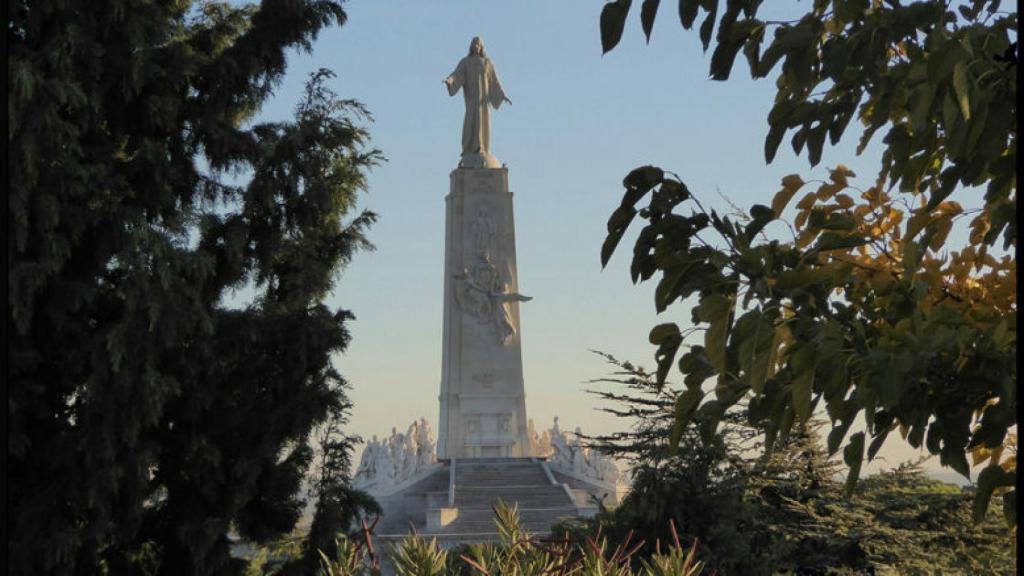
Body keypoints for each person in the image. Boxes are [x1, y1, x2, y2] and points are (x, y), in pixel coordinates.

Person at [444, 37, 511, 168]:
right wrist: (449, 81)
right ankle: (469, 149)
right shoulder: (465, 63)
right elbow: (456, 74)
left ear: (482, 47)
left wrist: (502, 95)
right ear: (471, 46)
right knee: (470, 123)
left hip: (484, 103)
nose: (476, 47)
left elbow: (495, 81)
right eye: (474, 44)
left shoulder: (487, 63)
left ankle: (482, 148)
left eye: (479, 45)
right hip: (472, 101)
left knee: (483, 123)